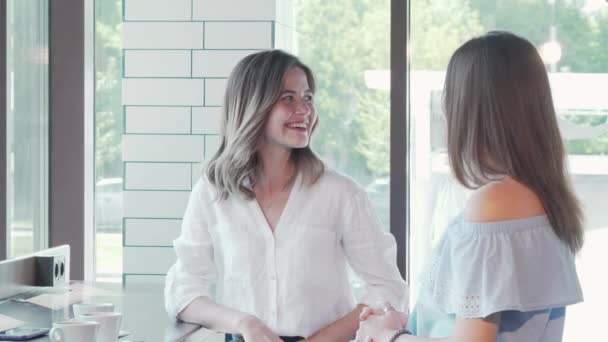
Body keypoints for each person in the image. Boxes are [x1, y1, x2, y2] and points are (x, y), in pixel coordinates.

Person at [354, 31, 584, 342]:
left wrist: (387, 337)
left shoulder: (494, 204)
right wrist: (408, 323)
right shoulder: (545, 197)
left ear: (471, 106)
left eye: (451, 91)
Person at [164, 50, 407, 342]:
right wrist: (244, 323)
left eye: (307, 98)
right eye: (287, 98)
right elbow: (183, 291)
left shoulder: (341, 194)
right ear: (253, 106)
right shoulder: (213, 192)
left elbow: (388, 288)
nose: (304, 110)